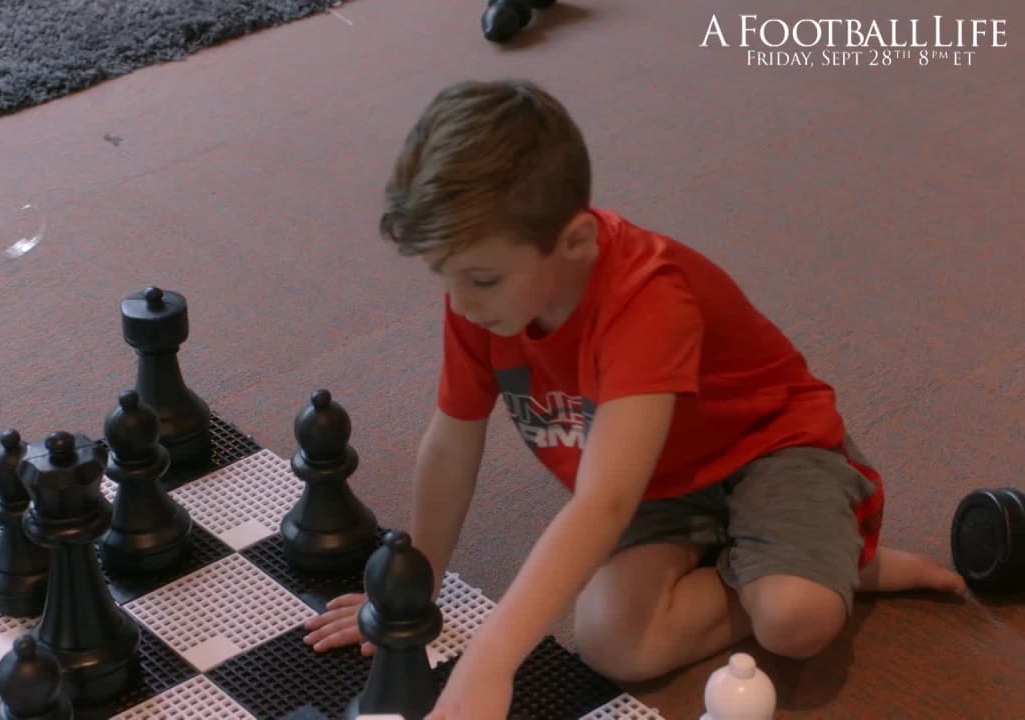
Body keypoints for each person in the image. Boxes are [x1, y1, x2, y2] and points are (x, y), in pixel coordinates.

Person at [301, 78, 966, 719]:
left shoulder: (646, 300)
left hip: (768, 449)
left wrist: (491, 662)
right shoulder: (479, 303)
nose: (462, 303)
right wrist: (417, 586)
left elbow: (603, 502)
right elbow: (451, 444)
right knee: (611, 643)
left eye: (480, 278)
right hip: (654, 477)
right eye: (442, 277)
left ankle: (832, 560)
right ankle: (785, 556)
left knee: (796, 619)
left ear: (576, 241)